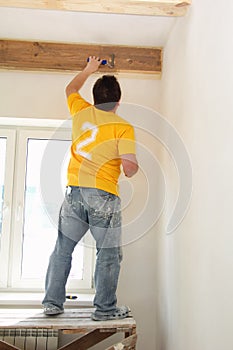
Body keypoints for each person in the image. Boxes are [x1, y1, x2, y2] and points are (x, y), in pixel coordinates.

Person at [42, 56, 138, 321]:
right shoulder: (123, 126)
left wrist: (88, 69)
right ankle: (105, 310)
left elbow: (70, 90)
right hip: (103, 195)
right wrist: (128, 164)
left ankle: (52, 303)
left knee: (63, 248)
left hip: (74, 192)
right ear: (118, 102)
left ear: (95, 99)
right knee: (108, 254)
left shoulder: (80, 111)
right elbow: (129, 168)